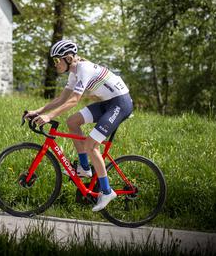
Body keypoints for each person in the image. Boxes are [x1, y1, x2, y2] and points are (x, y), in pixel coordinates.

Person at [25, 39, 134, 212]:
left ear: (68, 58)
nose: (55, 64)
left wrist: (49, 116)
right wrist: (38, 112)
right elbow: (62, 99)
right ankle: (84, 168)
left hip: (120, 104)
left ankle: (107, 191)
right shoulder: (74, 72)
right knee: (72, 122)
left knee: (91, 145)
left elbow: (74, 100)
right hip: (108, 103)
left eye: (56, 60)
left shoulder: (83, 69)